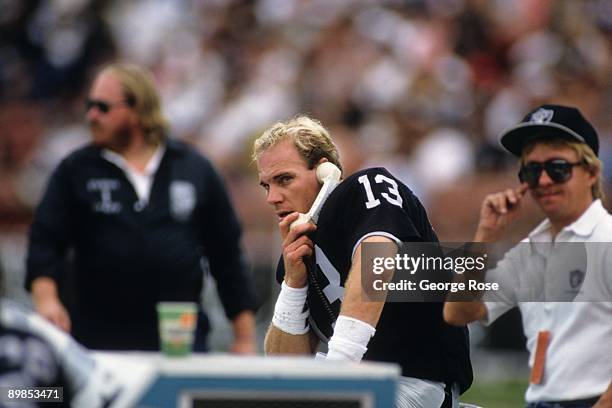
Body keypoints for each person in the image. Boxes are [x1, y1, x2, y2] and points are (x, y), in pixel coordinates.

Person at [25, 62, 257, 353]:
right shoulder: (76, 170)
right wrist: (46, 300)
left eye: (102, 107)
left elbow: (227, 255)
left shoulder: (193, 168)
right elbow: (45, 241)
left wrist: (244, 337)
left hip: (178, 339)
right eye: (89, 105)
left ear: (137, 111)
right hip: (95, 340)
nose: (91, 115)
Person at [253, 116, 472, 408]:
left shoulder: (365, 188)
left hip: (415, 383)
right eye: (266, 186)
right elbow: (285, 369)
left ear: (324, 171)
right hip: (364, 381)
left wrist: (337, 375)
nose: (272, 197)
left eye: (284, 179)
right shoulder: (299, 251)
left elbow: (377, 259)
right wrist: (293, 283)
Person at [444, 104, 612, 407]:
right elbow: (458, 313)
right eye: (532, 171)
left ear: (591, 172)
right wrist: (485, 237)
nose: (544, 181)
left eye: (558, 168)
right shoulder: (533, 249)